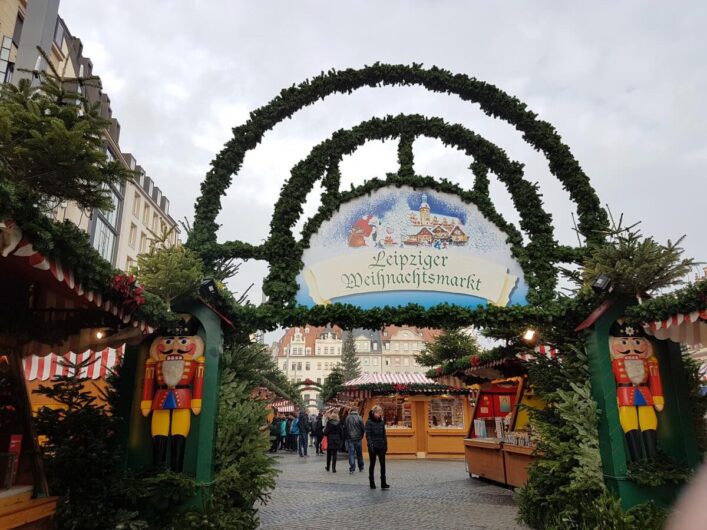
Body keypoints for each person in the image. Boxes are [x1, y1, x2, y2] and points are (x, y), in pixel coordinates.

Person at [365, 405, 390, 489]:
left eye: (381, 412)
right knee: (372, 464)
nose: (381, 414)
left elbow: (384, 434)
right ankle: (372, 482)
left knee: (383, 464)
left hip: (381, 446)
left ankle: (383, 482)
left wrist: (386, 445)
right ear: (375, 412)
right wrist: (370, 444)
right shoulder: (369, 422)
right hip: (373, 446)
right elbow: (368, 435)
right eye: (379, 412)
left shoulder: (381, 422)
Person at [345, 408, 365, 473]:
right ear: (356, 411)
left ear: (350, 411)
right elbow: (363, 428)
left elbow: (345, 428)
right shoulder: (360, 418)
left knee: (351, 453)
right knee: (359, 453)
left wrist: (347, 436)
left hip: (350, 438)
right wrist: (361, 436)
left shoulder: (347, 418)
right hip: (358, 438)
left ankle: (352, 468)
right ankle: (361, 467)